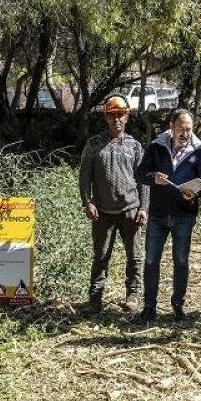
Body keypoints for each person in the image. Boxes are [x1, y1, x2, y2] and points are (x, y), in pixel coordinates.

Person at [134, 108, 201, 324]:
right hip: (158, 214)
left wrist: (195, 193)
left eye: (189, 129)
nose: (185, 133)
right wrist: (153, 178)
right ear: (171, 126)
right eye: (181, 129)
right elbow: (141, 173)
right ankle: (149, 308)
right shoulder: (157, 147)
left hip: (184, 215)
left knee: (181, 261)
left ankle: (178, 306)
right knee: (150, 261)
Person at [78, 94, 149, 314]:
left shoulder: (135, 146)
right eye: (112, 115)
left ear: (127, 117)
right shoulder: (94, 144)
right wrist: (87, 202)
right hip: (102, 213)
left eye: (120, 115)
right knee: (100, 256)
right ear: (106, 118)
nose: (116, 119)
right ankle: (95, 300)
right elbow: (84, 177)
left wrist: (144, 208)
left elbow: (143, 180)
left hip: (130, 210)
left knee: (134, 257)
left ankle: (133, 296)